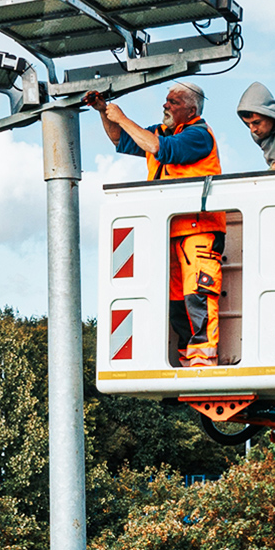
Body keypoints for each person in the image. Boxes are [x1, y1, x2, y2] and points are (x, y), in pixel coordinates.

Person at [90, 82, 226, 367]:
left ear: (191, 109)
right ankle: (188, 358)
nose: (166, 105)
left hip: (197, 230)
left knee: (198, 293)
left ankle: (204, 357)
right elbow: (122, 140)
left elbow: (158, 149)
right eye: (166, 100)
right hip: (171, 229)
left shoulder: (198, 135)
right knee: (177, 298)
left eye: (173, 102)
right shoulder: (163, 131)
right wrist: (104, 112)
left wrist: (123, 117)